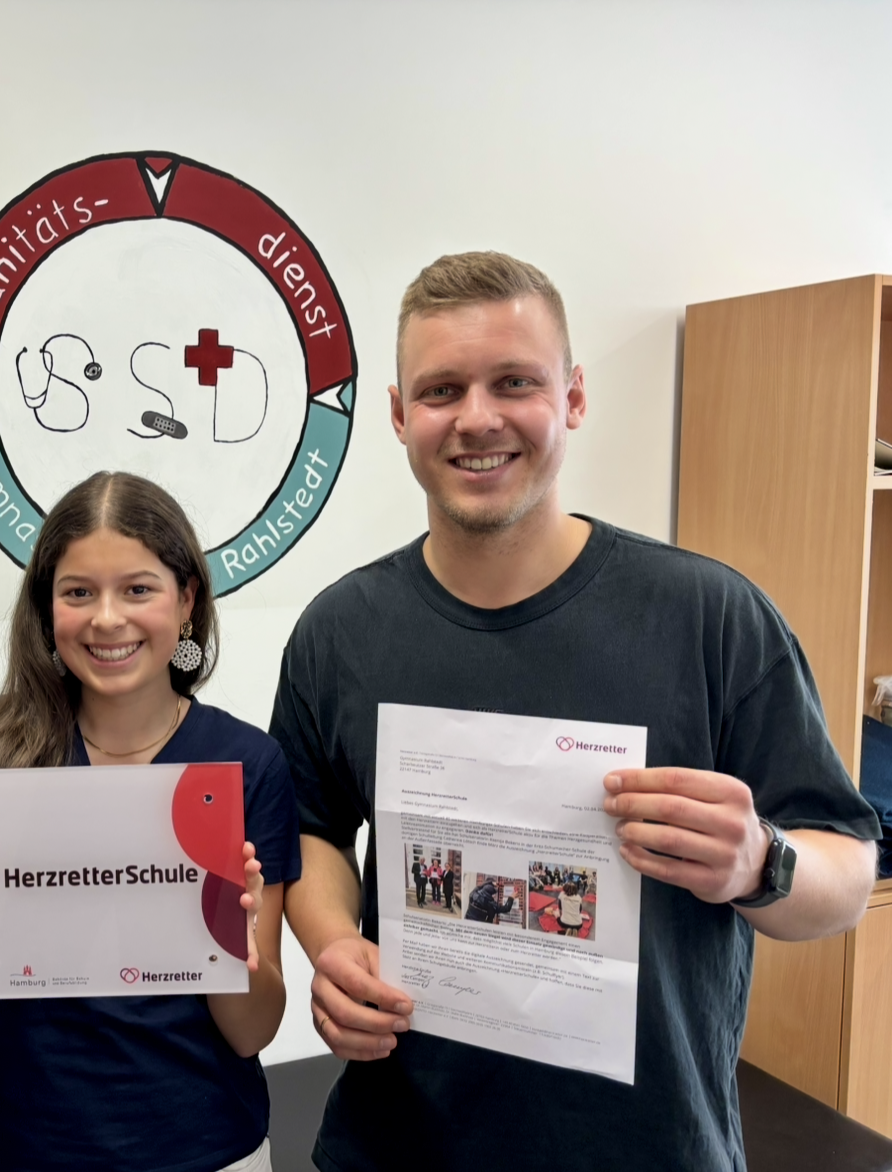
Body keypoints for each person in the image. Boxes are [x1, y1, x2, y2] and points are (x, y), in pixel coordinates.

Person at [272, 252, 880, 1171]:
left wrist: (759, 861)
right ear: (399, 415)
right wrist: (330, 947)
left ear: (575, 397)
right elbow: (312, 825)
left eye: (514, 381)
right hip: (397, 1143)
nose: (477, 418)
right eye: (441, 389)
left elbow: (847, 872)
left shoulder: (710, 618)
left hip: (646, 1149)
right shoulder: (341, 630)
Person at [0, 471, 300, 1172]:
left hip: (208, 1149)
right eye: (78, 592)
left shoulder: (247, 764)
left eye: (138, 589)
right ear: (47, 606)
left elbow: (252, 1033)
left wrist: (231, 948)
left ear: (187, 600)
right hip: (19, 1149)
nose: (107, 619)